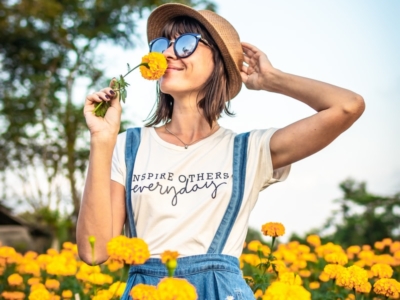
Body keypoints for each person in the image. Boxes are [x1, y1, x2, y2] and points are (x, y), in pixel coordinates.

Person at [77, 3, 365, 299]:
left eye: (186, 44)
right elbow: (94, 250)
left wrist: (271, 80)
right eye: (162, 44)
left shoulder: (250, 150)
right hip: (145, 291)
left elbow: (347, 106)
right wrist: (101, 138)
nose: (166, 54)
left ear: (219, 63)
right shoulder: (128, 145)